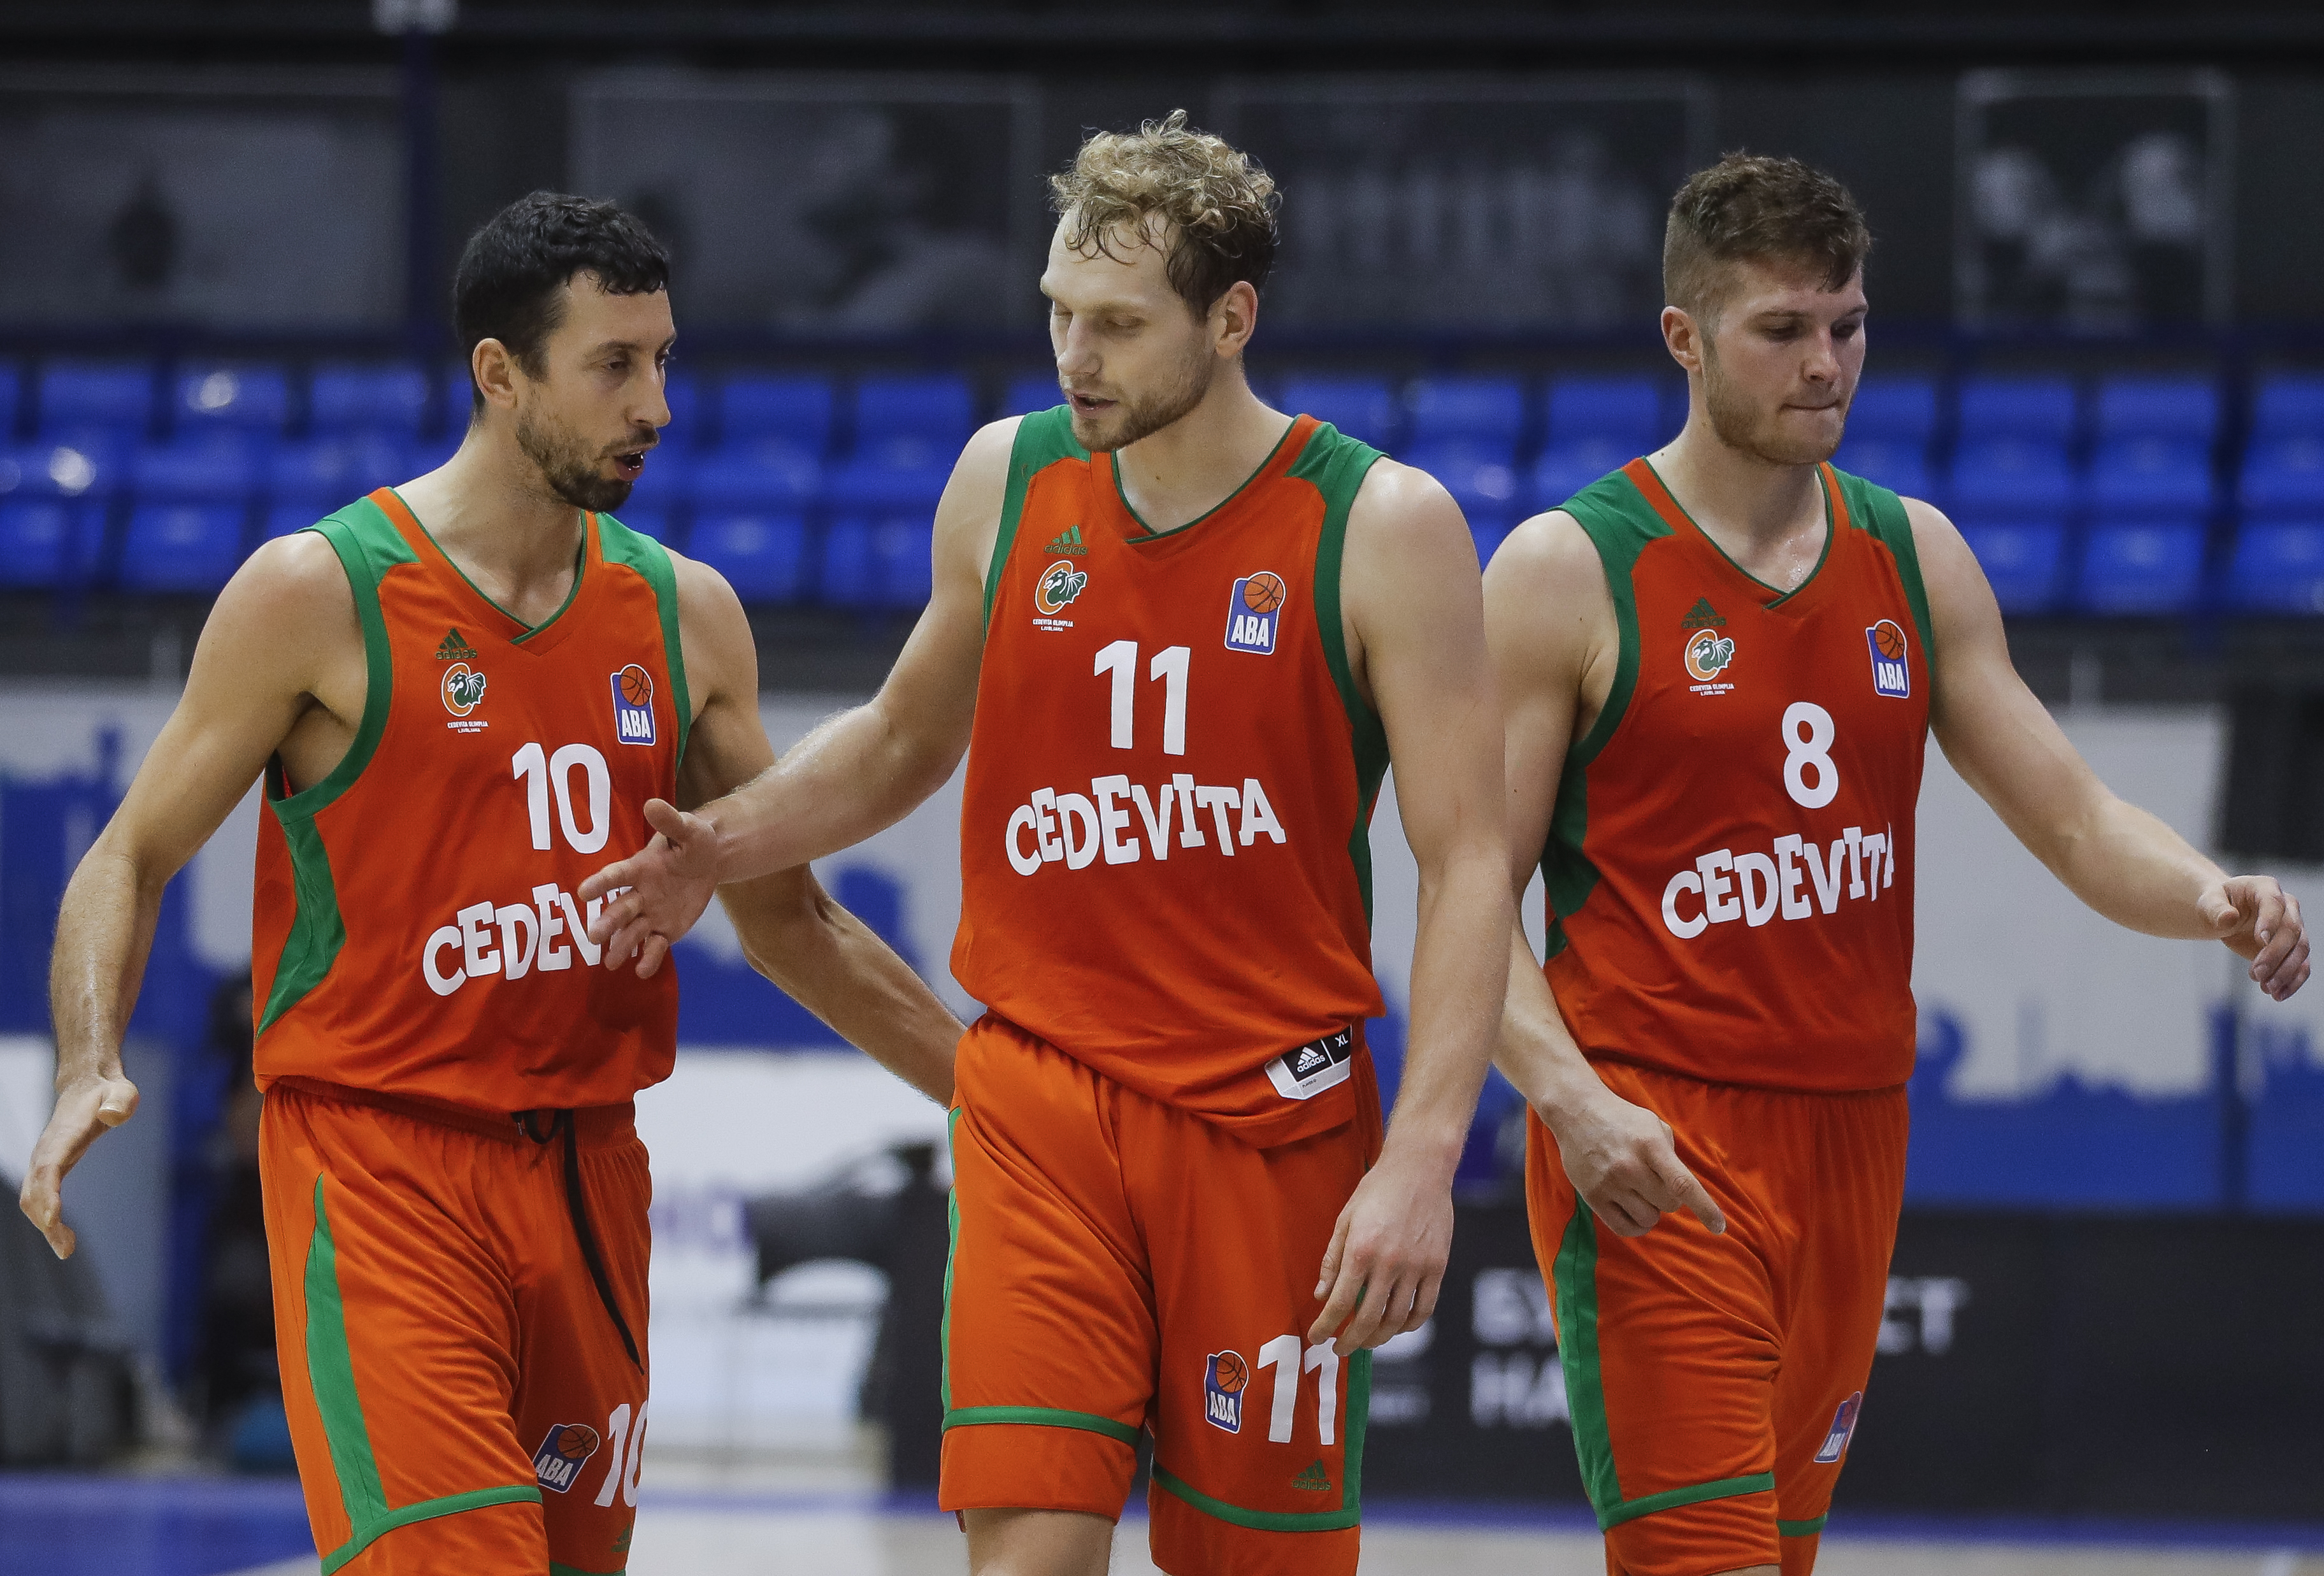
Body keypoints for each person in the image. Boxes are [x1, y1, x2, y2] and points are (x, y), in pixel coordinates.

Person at [580, 112, 1509, 1576]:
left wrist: (1421, 1159)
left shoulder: (1384, 526)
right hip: (1042, 1103)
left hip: (1273, 1120)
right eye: (1061, 316)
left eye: (1120, 325)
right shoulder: (1006, 481)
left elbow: (1470, 866)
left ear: (1231, 317)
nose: (1077, 356)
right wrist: (722, 841)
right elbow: (899, 739)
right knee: (1031, 1551)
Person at [17, 191, 963, 1576]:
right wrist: (85, 1059)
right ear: (499, 374)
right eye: (614, 366)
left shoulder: (685, 613)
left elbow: (797, 921)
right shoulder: (318, 593)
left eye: (664, 361)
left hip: (590, 1171)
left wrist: (997, 1104)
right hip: (381, 1163)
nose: (657, 405)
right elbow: (128, 857)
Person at [1486, 152, 2309, 1576]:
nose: (1827, 365)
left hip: (1856, 1131)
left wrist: (2209, 894)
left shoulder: (1913, 555)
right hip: (1659, 1133)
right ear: (1684, 338)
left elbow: (2071, 816)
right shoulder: (1568, 568)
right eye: (1784, 331)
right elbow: (1457, 894)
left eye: (1849, 326)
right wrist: (1567, 1099)